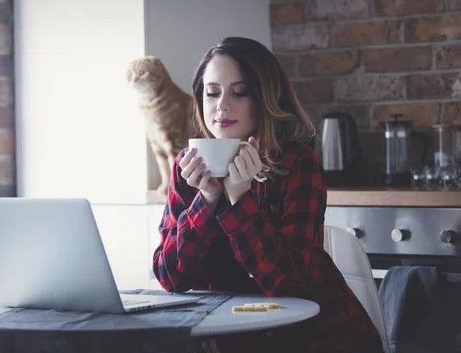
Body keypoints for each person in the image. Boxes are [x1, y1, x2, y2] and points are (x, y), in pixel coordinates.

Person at [152, 37, 382, 353]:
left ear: (264, 99)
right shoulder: (187, 167)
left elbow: (288, 285)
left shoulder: (297, 163)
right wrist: (205, 198)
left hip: (313, 339)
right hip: (228, 338)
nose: (221, 105)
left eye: (240, 92)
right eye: (212, 92)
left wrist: (238, 196)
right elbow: (170, 276)